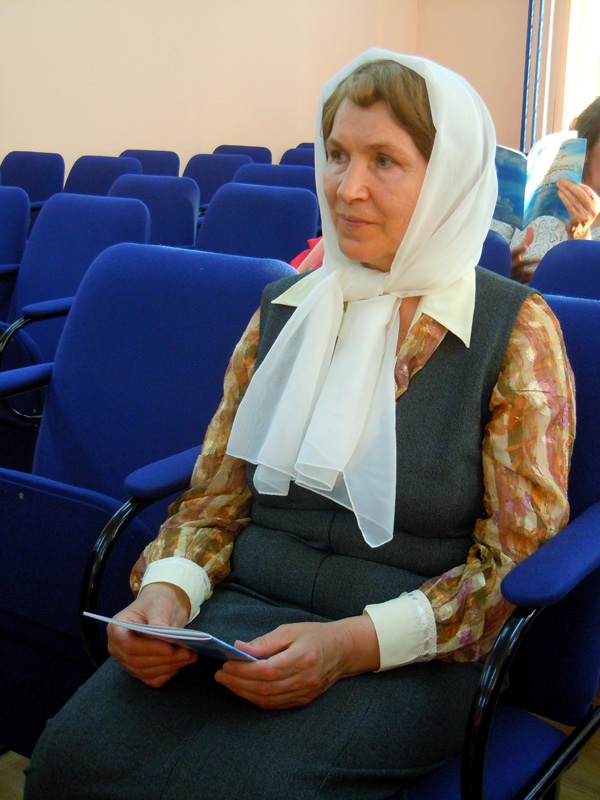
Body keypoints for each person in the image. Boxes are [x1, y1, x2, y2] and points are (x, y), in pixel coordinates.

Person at [24, 49, 575, 800]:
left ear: (446, 178)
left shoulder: (515, 330)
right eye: (338, 154)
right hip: (241, 614)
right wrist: (168, 594)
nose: (347, 188)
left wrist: (350, 645)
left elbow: (512, 568)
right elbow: (214, 500)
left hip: (412, 650)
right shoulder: (287, 309)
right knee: (68, 759)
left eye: (385, 161)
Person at [492, 96, 600, 283]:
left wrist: (581, 239)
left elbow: (588, 293)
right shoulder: (538, 196)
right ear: (586, 150)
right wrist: (506, 270)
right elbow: (484, 263)